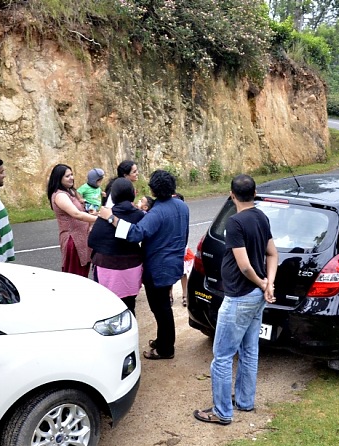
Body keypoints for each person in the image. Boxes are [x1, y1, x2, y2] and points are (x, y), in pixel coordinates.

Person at [193, 174, 277, 425]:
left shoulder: (235, 223)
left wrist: (263, 283)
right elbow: (272, 254)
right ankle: (244, 401)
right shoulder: (262, 217)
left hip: (240, 296)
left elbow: (244, 266)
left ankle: (222, 412)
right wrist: (269, 283)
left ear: (232, 195)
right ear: (255, 193)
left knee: (222, 356)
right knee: (249, 351)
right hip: (257, 296)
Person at [99, 170, 189, 360]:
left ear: (154, 190)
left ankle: (166, 349)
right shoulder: (181, 206)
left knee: (161, 308)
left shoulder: (156, 213)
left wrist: (111, 217)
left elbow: (135, 234)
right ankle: (162, 340)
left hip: (157, 267)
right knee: (163, 306)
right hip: (174, 263)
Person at [87, 178, 146, 314]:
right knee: (130, 304)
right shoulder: (139, 215)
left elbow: (92, 241)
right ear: (133, 193)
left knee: (111, 307)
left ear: (113, 196)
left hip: (107, 267)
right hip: (132, 266)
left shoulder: (106, 214)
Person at [47, 164, 97, 276]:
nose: (72, 178)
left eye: (72, 174)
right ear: (59, 178)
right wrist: (99, 219)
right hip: (73, 242)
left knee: (82, 275)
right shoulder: (60, 195)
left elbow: (80, 212)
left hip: (81, 240)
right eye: (67, 176)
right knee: (75, 277)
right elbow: (76, 214)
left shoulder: (69, 192)